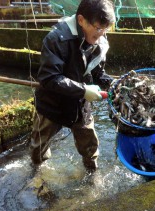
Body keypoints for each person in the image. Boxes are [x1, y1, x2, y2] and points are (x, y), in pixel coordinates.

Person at [29, 0, 115, 173]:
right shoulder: (56, 38)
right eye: (98, 28)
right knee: (38, 149)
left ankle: (92, 176)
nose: (102, 33)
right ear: (81, 20)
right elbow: (49, 77)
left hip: (80, 105)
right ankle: (37, 176)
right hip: (51, 104)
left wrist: (111, 83)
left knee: (90, 148)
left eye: (106, 28)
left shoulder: (100, 40)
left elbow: (97, 73)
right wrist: (83, 90)